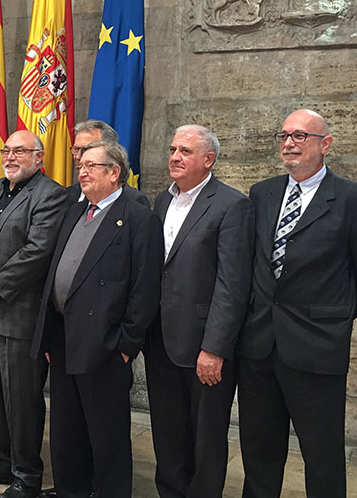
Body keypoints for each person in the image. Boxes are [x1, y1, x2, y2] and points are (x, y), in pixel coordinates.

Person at [238, 109, 357, 498]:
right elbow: (255, 264)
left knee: (321, 456)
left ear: (326, 144)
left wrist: (332, 317)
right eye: (284, 135)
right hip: (260, 345)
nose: (289, 143)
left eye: (301, 136)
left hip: (317, 347)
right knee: (258, 451)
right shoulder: (262, 193)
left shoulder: (353, 199)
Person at [32, 140, 163, 498]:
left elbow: (145, 287)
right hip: (63, 337)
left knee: (107, 437)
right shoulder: (75, 211)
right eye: (81, 166)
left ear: (114, 173)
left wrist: (125, 346)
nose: (82, 172)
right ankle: (71, 491)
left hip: (105, 346)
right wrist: (47, 338)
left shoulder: (138, 218)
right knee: (66, 430)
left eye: (91, 166)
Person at [146, 125, 254, 497]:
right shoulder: (162, 200)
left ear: (208, 160)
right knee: (167, 430)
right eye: (173, 149)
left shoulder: (231, 205)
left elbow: (233, 284)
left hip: (203, 345)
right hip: (160, 338)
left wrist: (215, 348)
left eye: (185, 151)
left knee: (206, 437)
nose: (175, 157)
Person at [0, 130, 67, 498]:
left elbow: (37, 251)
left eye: (20, 151)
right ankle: (1, 462)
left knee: (21, 399)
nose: (10, 157)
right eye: (7, 150)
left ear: (39, 158)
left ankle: (27, 474)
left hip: (19, 312)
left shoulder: (51, 194)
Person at [67, 119, 149, 207]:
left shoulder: (134, 200)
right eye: (76, 149)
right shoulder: (67, 195)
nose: (78, 156)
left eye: (87, 149)